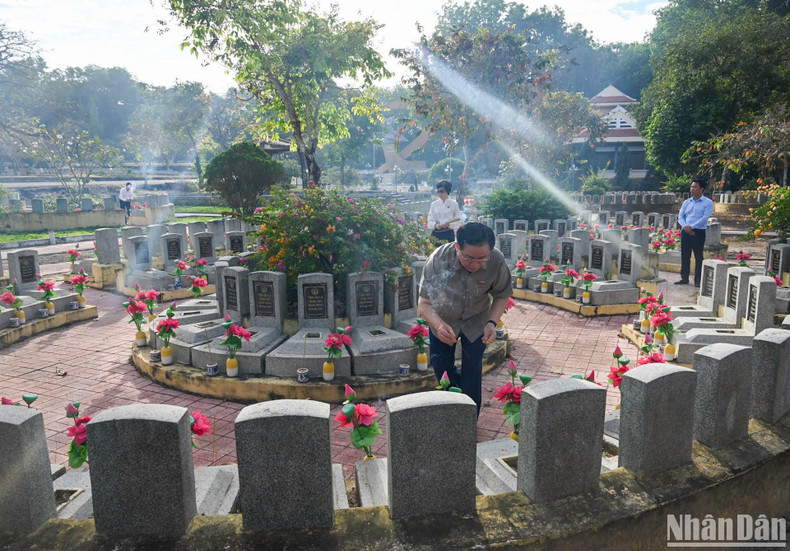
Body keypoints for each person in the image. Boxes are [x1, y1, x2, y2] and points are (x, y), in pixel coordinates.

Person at [418, 222, 513, 414]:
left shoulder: (496, 260)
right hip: (443, 318)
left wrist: (491, 322)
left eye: (482, 259)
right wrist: (438, 325)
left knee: (473, 369)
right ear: (457, 246)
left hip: (477, 320)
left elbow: (502, 294)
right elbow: (424, 303)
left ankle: (469, 417)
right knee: (441, 366)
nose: (475, 264)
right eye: (468, 258)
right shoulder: (439, 259)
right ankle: (451, 409)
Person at [676, 175, 714, 287]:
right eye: (691, 187)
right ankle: (684, 278)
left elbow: (704, 218)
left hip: (698, 232)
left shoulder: (707, 202)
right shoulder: (687, 202)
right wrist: (686, 227)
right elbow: (680, 216)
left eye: (695, 187)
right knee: (685, 255)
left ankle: (698, 280)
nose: (692, 189)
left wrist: (692, 227)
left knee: (698, 257)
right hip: (686, 231)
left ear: (701, 189)